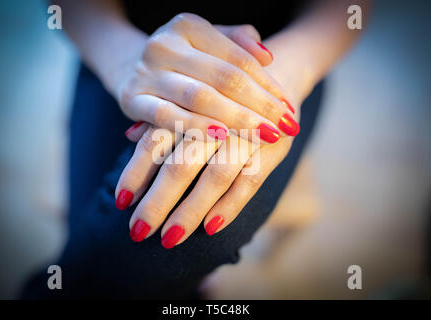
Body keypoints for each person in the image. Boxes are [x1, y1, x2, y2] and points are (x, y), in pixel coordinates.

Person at [22, 0, 368, 298]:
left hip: (284, 56)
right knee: (132, 251)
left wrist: (281, 80)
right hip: (126, 45)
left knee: (175, 241)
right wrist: (127, 63)